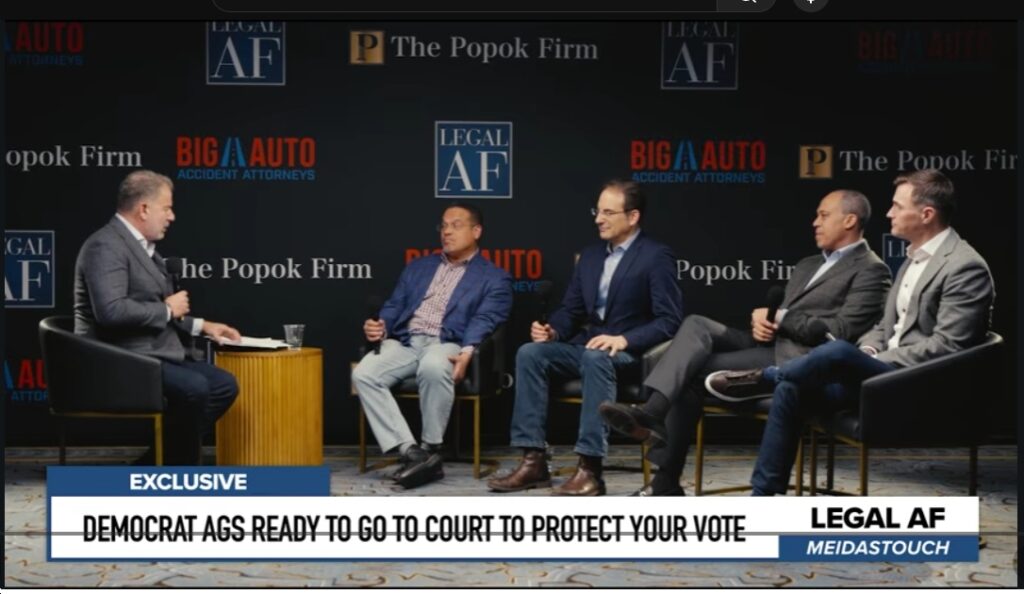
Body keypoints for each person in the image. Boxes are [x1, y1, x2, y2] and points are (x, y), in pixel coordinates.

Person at [708, 169, 995, 496]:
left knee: (838, 351)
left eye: (897, 206)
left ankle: (767, 377)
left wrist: (877, 358)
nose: (889, 213)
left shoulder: (964, 266)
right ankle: (764, 496)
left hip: (916, 384)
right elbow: (884, 326)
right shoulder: (912, 259)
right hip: (878, 378)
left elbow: (948, 346)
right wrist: (869, 351)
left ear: (926, 214)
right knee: (792, 388)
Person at [598, 189, 891, 495]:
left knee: (689, 375)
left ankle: (663, 471)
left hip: (799, 360)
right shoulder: (808, 264)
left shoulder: (871, 269)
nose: (815, 222)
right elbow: (783, 318)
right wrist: (763, 323)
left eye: (823, 215)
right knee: (696, 323)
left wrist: (780, 318)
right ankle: (654, 421)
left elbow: (839, 332)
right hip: (768, 345)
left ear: (849, 220)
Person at [487, 179, 683, 496]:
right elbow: (571, 309)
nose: (598, 219)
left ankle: (590, 469)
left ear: (633, 216)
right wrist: (553, 331)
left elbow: (669, 321)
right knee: (530, 353)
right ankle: (533, 460)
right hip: (589, 347)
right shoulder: (590, 256)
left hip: (630, 354)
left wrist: (624, 339)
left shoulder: (656, 256)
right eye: (597, 211)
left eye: (608, 212)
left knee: (596, 357)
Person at [74, 169, 240, 465]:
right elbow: (111, 311)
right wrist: (167, 309)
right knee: (195, 388)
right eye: (167, 208)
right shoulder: (105, 245)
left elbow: (157, 308)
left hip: (151, 353)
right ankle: (175, 465)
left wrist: (203, 326)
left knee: (223, 384)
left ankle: (155, 463)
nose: (172, 216)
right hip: (119, 358)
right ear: (144, 209)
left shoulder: (145, 249)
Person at [352, 203, 512, 489]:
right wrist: (380, 326)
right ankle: (413, 453)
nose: (447, 231)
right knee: (364, 373)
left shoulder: (494, 277)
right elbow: (395, 305)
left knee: (434, 366)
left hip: (446, 342)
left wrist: (468, 350)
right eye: (443, 226)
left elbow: (486, 318)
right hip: (405, 341)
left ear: (476, 231)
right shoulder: (419, 267)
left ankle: (431, 446)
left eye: (456, 225)